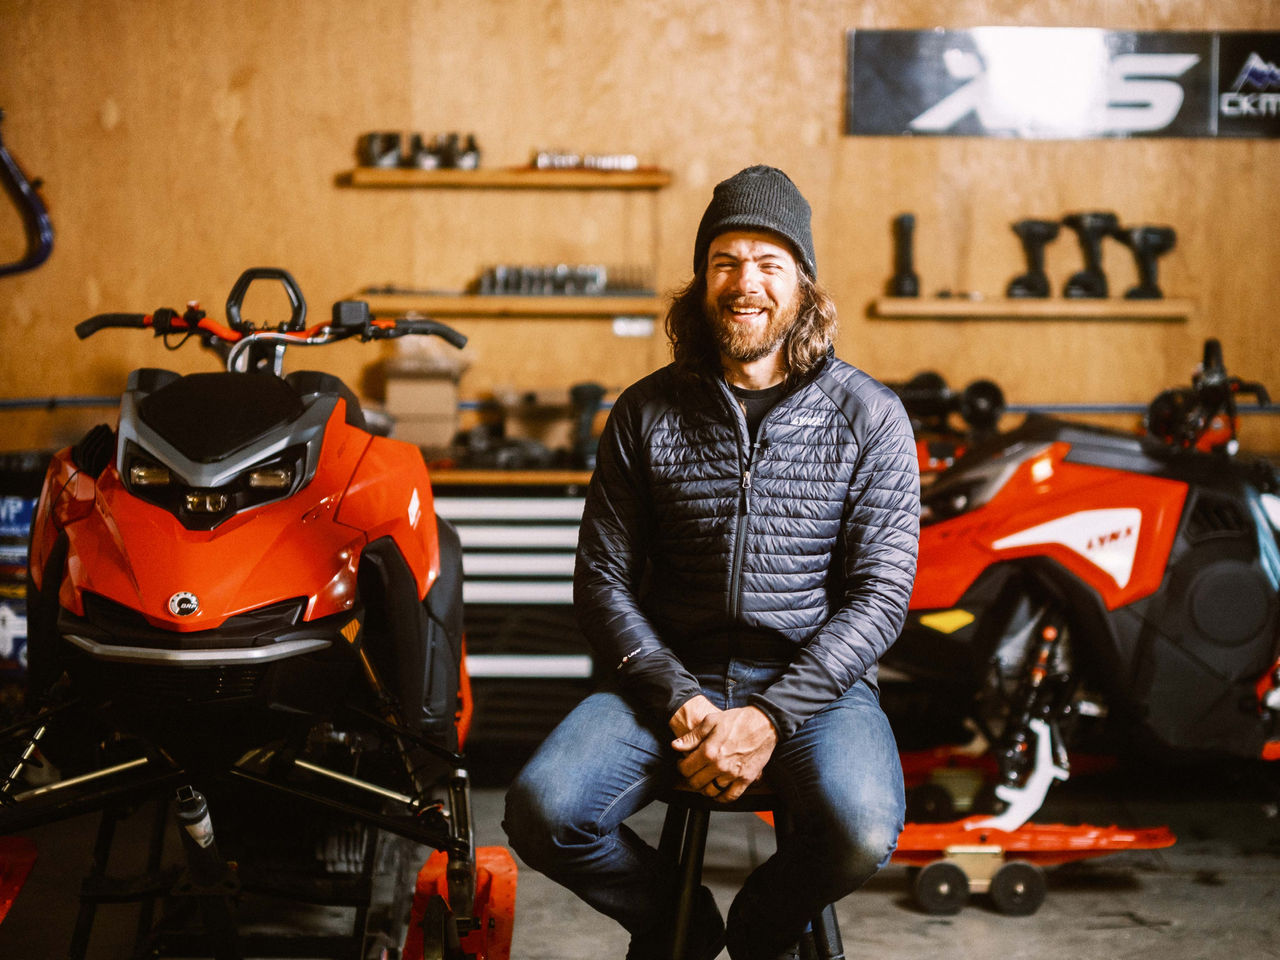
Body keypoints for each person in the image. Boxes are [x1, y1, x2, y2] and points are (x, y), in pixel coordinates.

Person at [503, 165, 920, 960]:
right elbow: (602, 584)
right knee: (542, 808)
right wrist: (682, 700)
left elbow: (880, 597)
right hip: (668, 678)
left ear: (803, 283)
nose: (746, 283)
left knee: (863, 829)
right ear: (701, 282)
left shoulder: (871, 417)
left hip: (815, 688)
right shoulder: (645, 411)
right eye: (726, 261)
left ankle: (763, 926)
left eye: (769, 263)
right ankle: (680, 921)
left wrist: (768, 717)